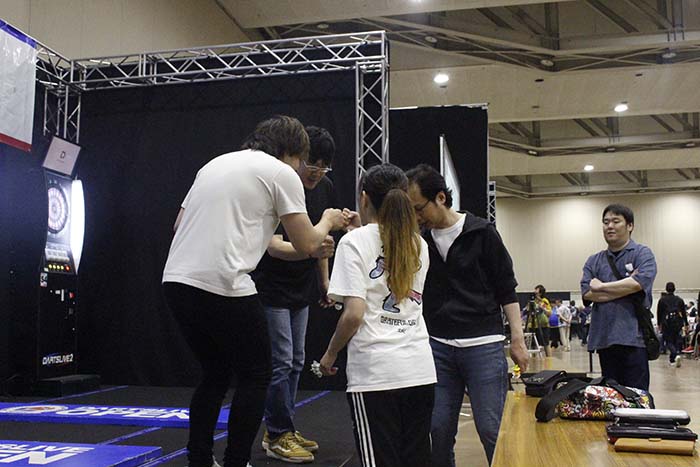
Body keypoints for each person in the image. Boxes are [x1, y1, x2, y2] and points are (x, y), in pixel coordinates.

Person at [162, 116, 347, 467]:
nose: (303, 169)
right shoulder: (281, 173)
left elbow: (178, 224)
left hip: (176, 280)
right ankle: (237, 459)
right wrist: (328, 221)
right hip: (225, 282)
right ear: (293, 153)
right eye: (303, 161)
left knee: (215, 373)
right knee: (257, 374)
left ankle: (199, 458)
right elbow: (308, 243)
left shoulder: (214, 164)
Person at [406, 164, 529, 466]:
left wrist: (517, 339)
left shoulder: (482, 233)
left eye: (419, 208)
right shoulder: (420, 242)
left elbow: (507, 289)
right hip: (437, 348)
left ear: (440, 198)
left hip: (483, 346)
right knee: (437, 430)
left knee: (492, 429)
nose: (416, 217)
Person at [318, 163, 436, 467]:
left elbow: (353, 314)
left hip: (376, 374)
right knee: (417, 459)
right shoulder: (419, 244)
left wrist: (330, 354)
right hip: (419, 369)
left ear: (364, 198)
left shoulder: (353, 243)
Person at [252, 126, 338, 463]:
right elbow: (273, 246)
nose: (318, 172)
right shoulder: (280, 184)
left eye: (325, 166)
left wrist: (325, 282)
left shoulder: (325, 188)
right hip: (271, 286)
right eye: (313, 164)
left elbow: (323, 244)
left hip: (301, 288)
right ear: (298, 159)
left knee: (296, 361)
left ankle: (283, 427)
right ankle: (277, 434)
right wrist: (313, 246)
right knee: (281, 362)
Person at [581, 204, 657, 391]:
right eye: (606, 222)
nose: (609, 226)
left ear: (630, 226)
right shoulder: (594, 260)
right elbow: (588, 293)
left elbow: (639, 283)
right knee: (611, 398)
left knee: (636, 397)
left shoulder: (642, 253)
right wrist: (627, 286)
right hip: (604, 339)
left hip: (634, 339)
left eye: (616, 221)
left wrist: (602, 287)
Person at [657, 282, 687, 367]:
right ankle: (673, 359)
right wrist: (686, 323)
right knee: (676, 339)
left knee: (668, 341)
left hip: (666, 323)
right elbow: (683, 312)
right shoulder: (679, 300)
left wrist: (659, 323)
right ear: (674, 289)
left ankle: (675, 354)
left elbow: (659, 313)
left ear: (666, 289)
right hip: (677, 322)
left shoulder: (662, 300)